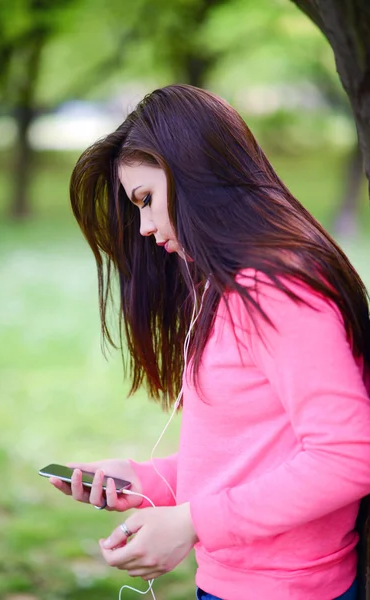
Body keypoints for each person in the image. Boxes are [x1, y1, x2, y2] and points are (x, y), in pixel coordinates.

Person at [50, 84, 370, 600]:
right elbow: (253, 456)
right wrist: (142, 480)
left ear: (197, 173)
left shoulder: (277, 289)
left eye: (147, 200)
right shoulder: (229, 289)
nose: (145, 227)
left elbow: (350, 454)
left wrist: (194, 522)